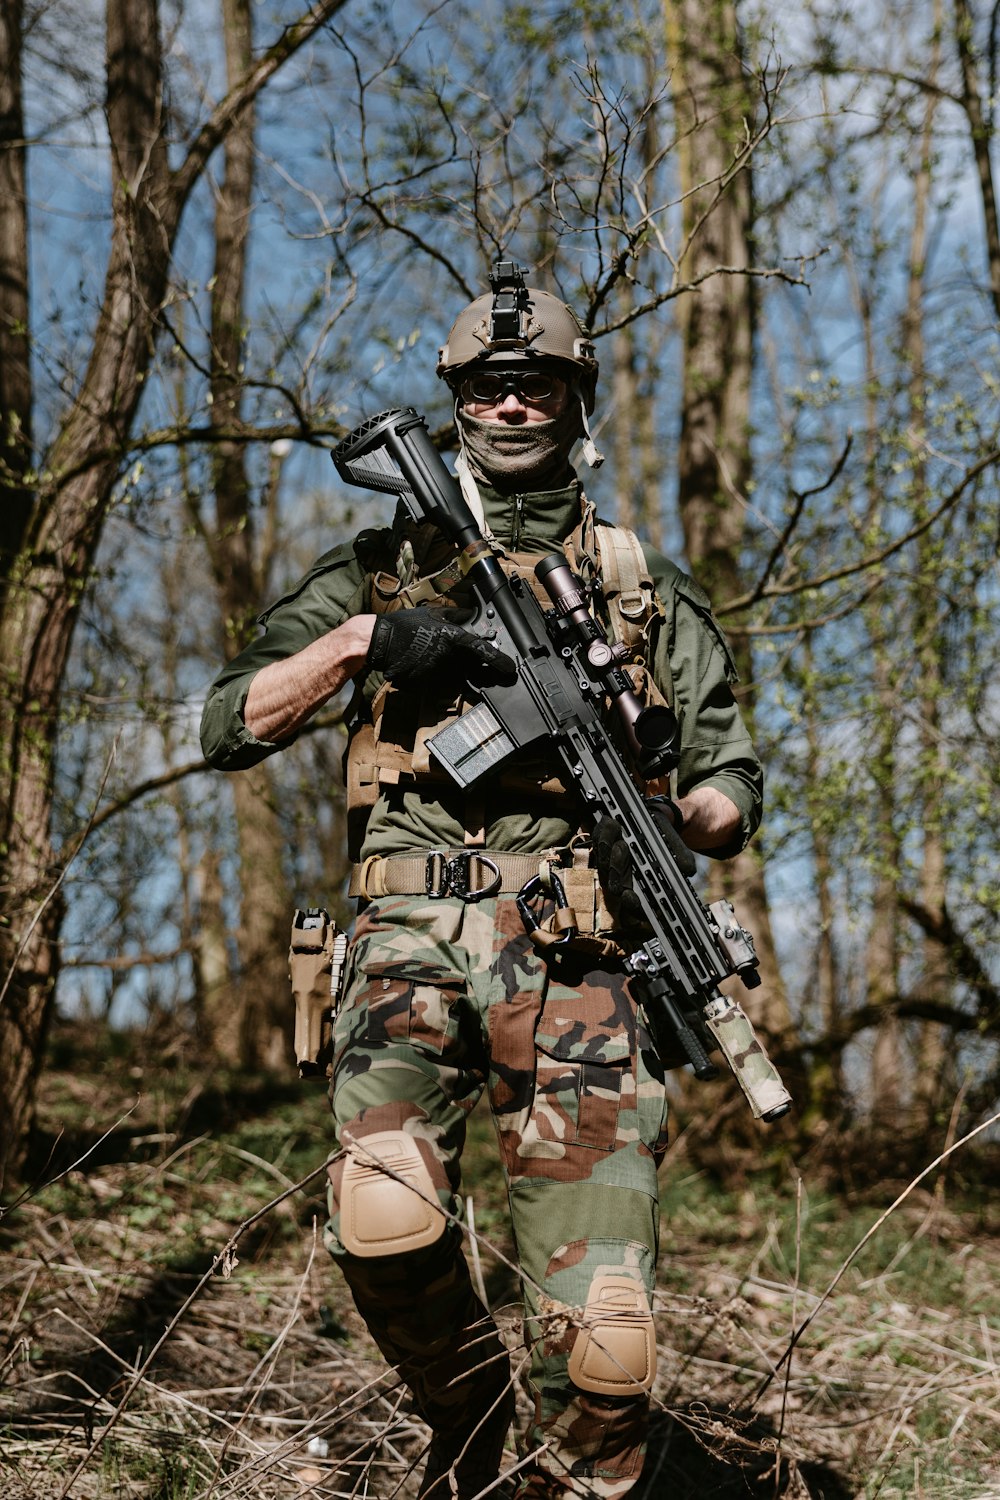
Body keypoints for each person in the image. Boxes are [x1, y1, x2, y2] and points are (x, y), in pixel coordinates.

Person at [200, 263, 763, 1500]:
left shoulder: (643, 588)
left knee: (608, 1343)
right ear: (459, 397)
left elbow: (728, 776)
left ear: (574, 399)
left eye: (538, 385)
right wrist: (362, 642)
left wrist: (685, 804)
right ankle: (466, 1415)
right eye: (492, 386)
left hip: (581, 954)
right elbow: (227, 723)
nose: (514, 406)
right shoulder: (379, 561)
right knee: (384, 1217)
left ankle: (586, 1474)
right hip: (406, 931)